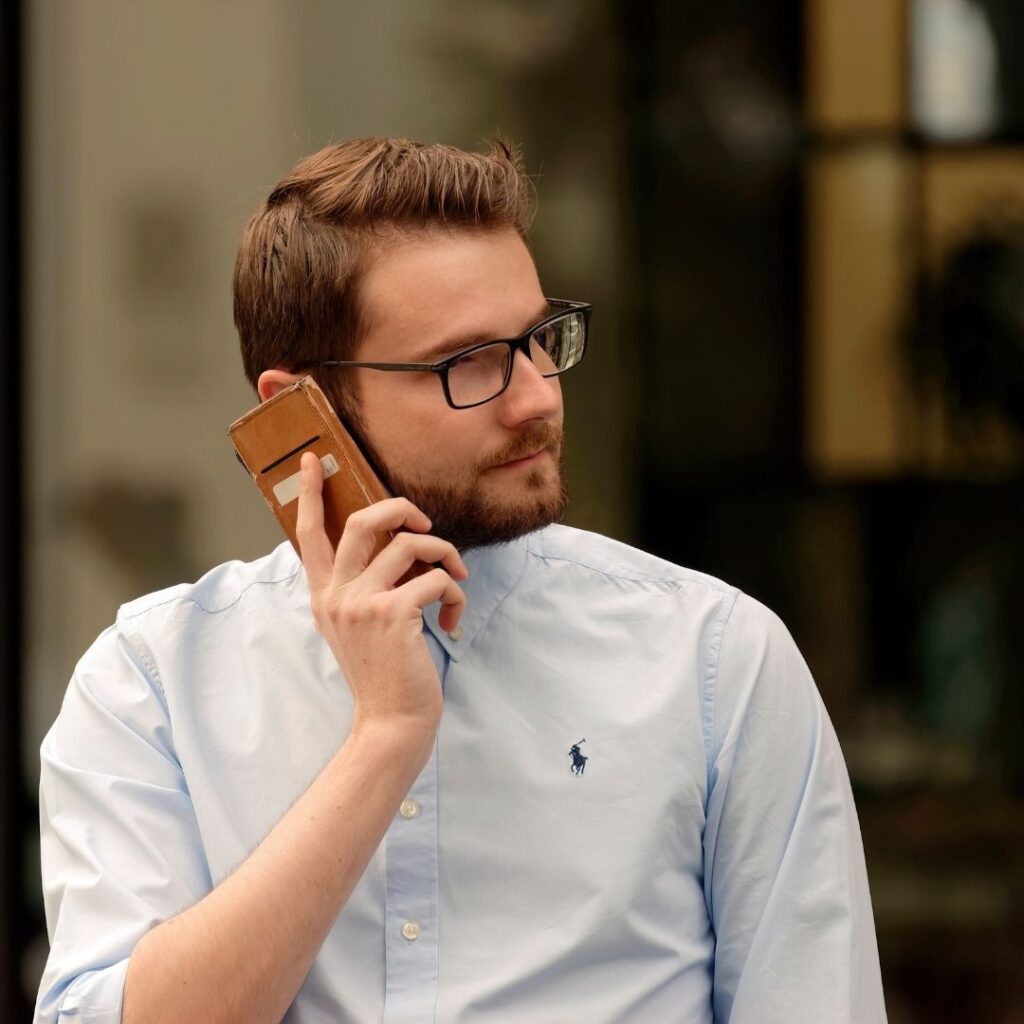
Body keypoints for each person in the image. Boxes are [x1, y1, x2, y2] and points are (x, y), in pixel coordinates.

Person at [35, 138, 887, 1023]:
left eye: (539, 341)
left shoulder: (715, 662)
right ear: (299, 409)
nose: (537, 398)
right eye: (467, 364)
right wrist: (385, 739)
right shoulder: (153, 682)